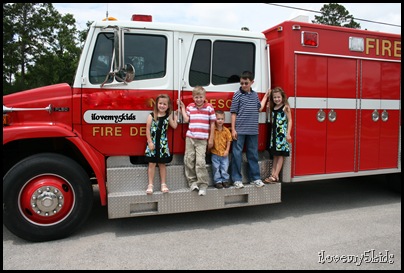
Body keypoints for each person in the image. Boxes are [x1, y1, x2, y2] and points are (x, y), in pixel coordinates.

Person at [230, 71, 270, 189]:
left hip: (253, 130)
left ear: (252, 82)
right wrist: (233, 129)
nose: (243, 85)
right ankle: (236, 179)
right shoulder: (237, 95)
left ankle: (255, 178)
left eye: (246, 83)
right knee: (237, 154)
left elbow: (259, 108)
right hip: (240, 130)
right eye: (242, 83)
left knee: (253, 154)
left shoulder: (255, 95)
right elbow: (233, 113)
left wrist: (266, 96)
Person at [178, 86, 216, 196]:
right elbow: (186, 119)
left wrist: (211, 138)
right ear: (193, 97)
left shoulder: (209, 107)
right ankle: (192, 182)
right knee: (189, 160)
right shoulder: (190, 107)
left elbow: (212, 123)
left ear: (204, 97)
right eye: (196, 97)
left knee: (200, 162)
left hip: (202, 140)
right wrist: (183, 108)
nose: (198, 99)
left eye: (200, 97)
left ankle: (203, 185)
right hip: (190, 138)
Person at [145, 94, 178, 194]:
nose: (162, 106)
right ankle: (150, 185)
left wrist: (175, 116)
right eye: (160, 103)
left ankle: (163, 184)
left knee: (162, 164)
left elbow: (175, 126)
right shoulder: (151, 116)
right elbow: (147, 129)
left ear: (168, 106)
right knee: (151, 164)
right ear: (156, 104)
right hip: (153, 145)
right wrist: (149, 142)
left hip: (163, 145)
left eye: (164, 104)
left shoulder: (168, 117)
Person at [264, 87, 292, 183]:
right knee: (275, 155)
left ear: (282, 97)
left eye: (278, 97)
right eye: (274, 97)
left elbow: (290, 120)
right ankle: (272, 174)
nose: (276, 99)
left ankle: (276, 175)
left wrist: (288, 133)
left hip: (282, 135)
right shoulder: (273, 108)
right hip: (274, 135)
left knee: (280, 155)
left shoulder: (285, 107)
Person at [210, 110, 233, 189]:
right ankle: (218, 181)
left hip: (224, 154)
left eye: (222, 119)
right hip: (215, 153)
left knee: (225, 167)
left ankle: (225, 180)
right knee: (215, 168)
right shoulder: (212, 130)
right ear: (215, 119)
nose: (220, 121)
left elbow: (229, 141)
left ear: (224, 120)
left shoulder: (226, 131)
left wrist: (227, 150)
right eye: (218, 119)